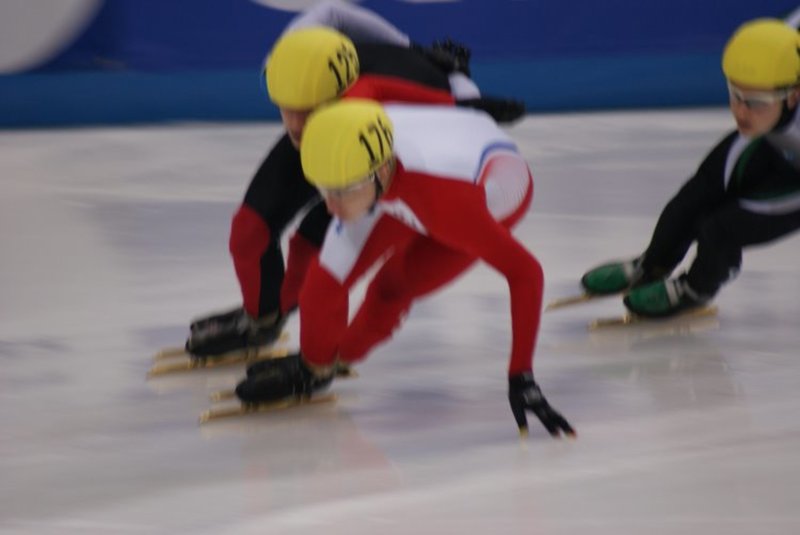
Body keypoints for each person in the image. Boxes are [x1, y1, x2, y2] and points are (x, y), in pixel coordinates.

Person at [186, 9, 525, 357]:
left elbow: (459, 126)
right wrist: (408, 44)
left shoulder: (404, 97)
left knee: (315, 245)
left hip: (377, 136)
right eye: (286, 107)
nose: (295, 122)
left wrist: (458, 89)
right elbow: (331, 11)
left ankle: (301, 339)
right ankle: (262, 320)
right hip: (354, 112)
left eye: (307, 111)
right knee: (250, 230)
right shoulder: (296, 55)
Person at [234, 99, 575, 437]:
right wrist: (313, 362)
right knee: (323, 284)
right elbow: (325, 283)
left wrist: (522, 376)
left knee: (391, 287)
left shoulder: (446, 204)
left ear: (381, 171)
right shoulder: (354, 157)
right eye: (325, 190)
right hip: (415, 167)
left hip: (484, 196)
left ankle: (343, 358)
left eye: (343, 191)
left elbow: (527, 273)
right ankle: (317, 367)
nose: (333, 206)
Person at [580, 18, 800, 318]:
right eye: (734, 95)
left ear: (793, 95)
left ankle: (696, 289)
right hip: (777, 142)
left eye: (756, 102)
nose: (740, 111)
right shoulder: (785, 46)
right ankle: (653, 263)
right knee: (700, 192)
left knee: (723, 227)